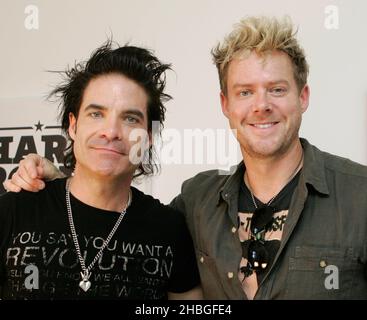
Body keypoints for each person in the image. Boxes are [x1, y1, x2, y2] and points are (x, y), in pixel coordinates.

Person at [4, 16, 367, 300]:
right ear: (225, 104)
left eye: (277, 89)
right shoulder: (198, 203)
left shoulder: (359, 196)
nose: (261, 105)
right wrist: (55, 177)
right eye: (245, 91)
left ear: (303, 97)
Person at [0, 41, 202, 300]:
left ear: (148, 137)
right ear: (73, 126)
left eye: (130, 118)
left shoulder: (169, 230)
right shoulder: (15, 211)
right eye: (96, 114)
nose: (112, 132)